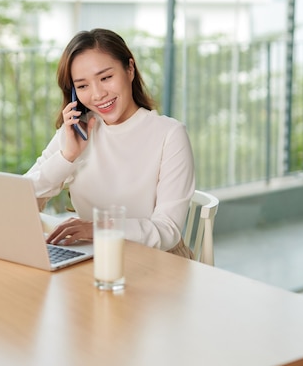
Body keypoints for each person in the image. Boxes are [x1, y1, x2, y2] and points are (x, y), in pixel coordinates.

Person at [24, 28, 195, 258]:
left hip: (158, 261)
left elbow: (168, 231)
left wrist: (99, 229)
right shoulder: (77, 131)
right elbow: (22, 198)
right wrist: (67, 157)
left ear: (130, 69)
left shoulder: (170, 134)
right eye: (83, 86)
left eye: (106, 78)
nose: (97, 94)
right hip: (94, 258)